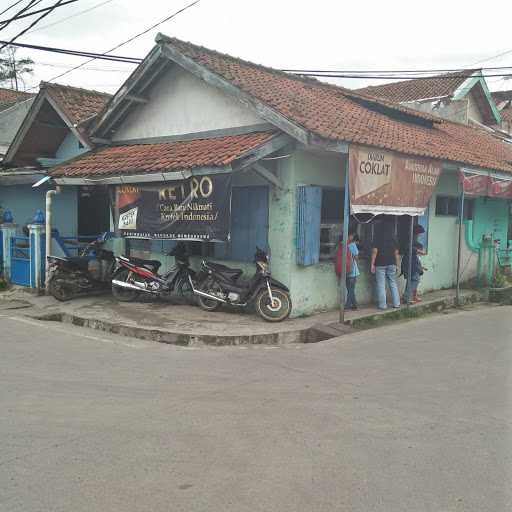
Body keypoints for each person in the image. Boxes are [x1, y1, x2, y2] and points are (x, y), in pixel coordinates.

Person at [370, 220, 401, 310]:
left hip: (380, 263)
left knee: (381, 284)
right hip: (392, 263)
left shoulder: (377, 238)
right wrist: (398, 266)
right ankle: (396, 303)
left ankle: (383, 305)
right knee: (392, 283)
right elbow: (396, 254)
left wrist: (372, 264)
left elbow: (374, 252)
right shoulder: (394, 239)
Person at [402, 225, 427, 303]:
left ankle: (407, 297)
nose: (420, 235)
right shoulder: (409, 239)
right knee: (415, 279)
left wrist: (421, 266)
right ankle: (407, 297)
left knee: (411, 280)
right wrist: (418, 251)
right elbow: (408, 247)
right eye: (419, 233)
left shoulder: (414, 240)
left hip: (412, 262)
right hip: (409, 262)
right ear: (416, 233)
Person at [346, 228, 360, 310]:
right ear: (350, 236)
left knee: (350, 289)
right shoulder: (352, 245)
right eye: (352, 235)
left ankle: (354, 305)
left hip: (345, 270)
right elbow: (356, 257)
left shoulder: (342, 244)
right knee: (351, 289)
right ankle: (348, 305)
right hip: (353, 270)